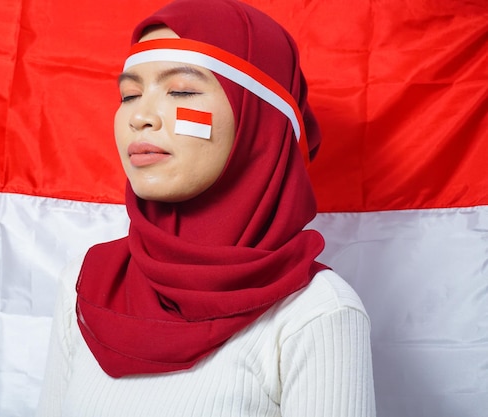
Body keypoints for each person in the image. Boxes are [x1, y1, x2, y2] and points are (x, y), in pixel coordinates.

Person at [37, 0, 376, 415]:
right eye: (129, 94)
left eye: (181, 89)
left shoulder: (318, 312)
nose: (139, 116)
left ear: (260, 120)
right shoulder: (87, 280)